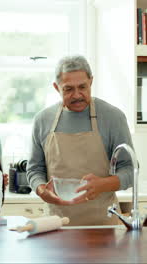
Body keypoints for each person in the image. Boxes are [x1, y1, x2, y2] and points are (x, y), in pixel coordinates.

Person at [26, 55, 134, 225]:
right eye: (68, 89)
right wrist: (41, 189)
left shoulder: (113, 117)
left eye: (82, 87)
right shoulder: (43, 120)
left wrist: (102, 184)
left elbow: (130, 170)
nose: (77, 95)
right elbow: (34, 169)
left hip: (103, 226)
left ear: (91, 82)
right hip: (57, 224)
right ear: (56, 87)